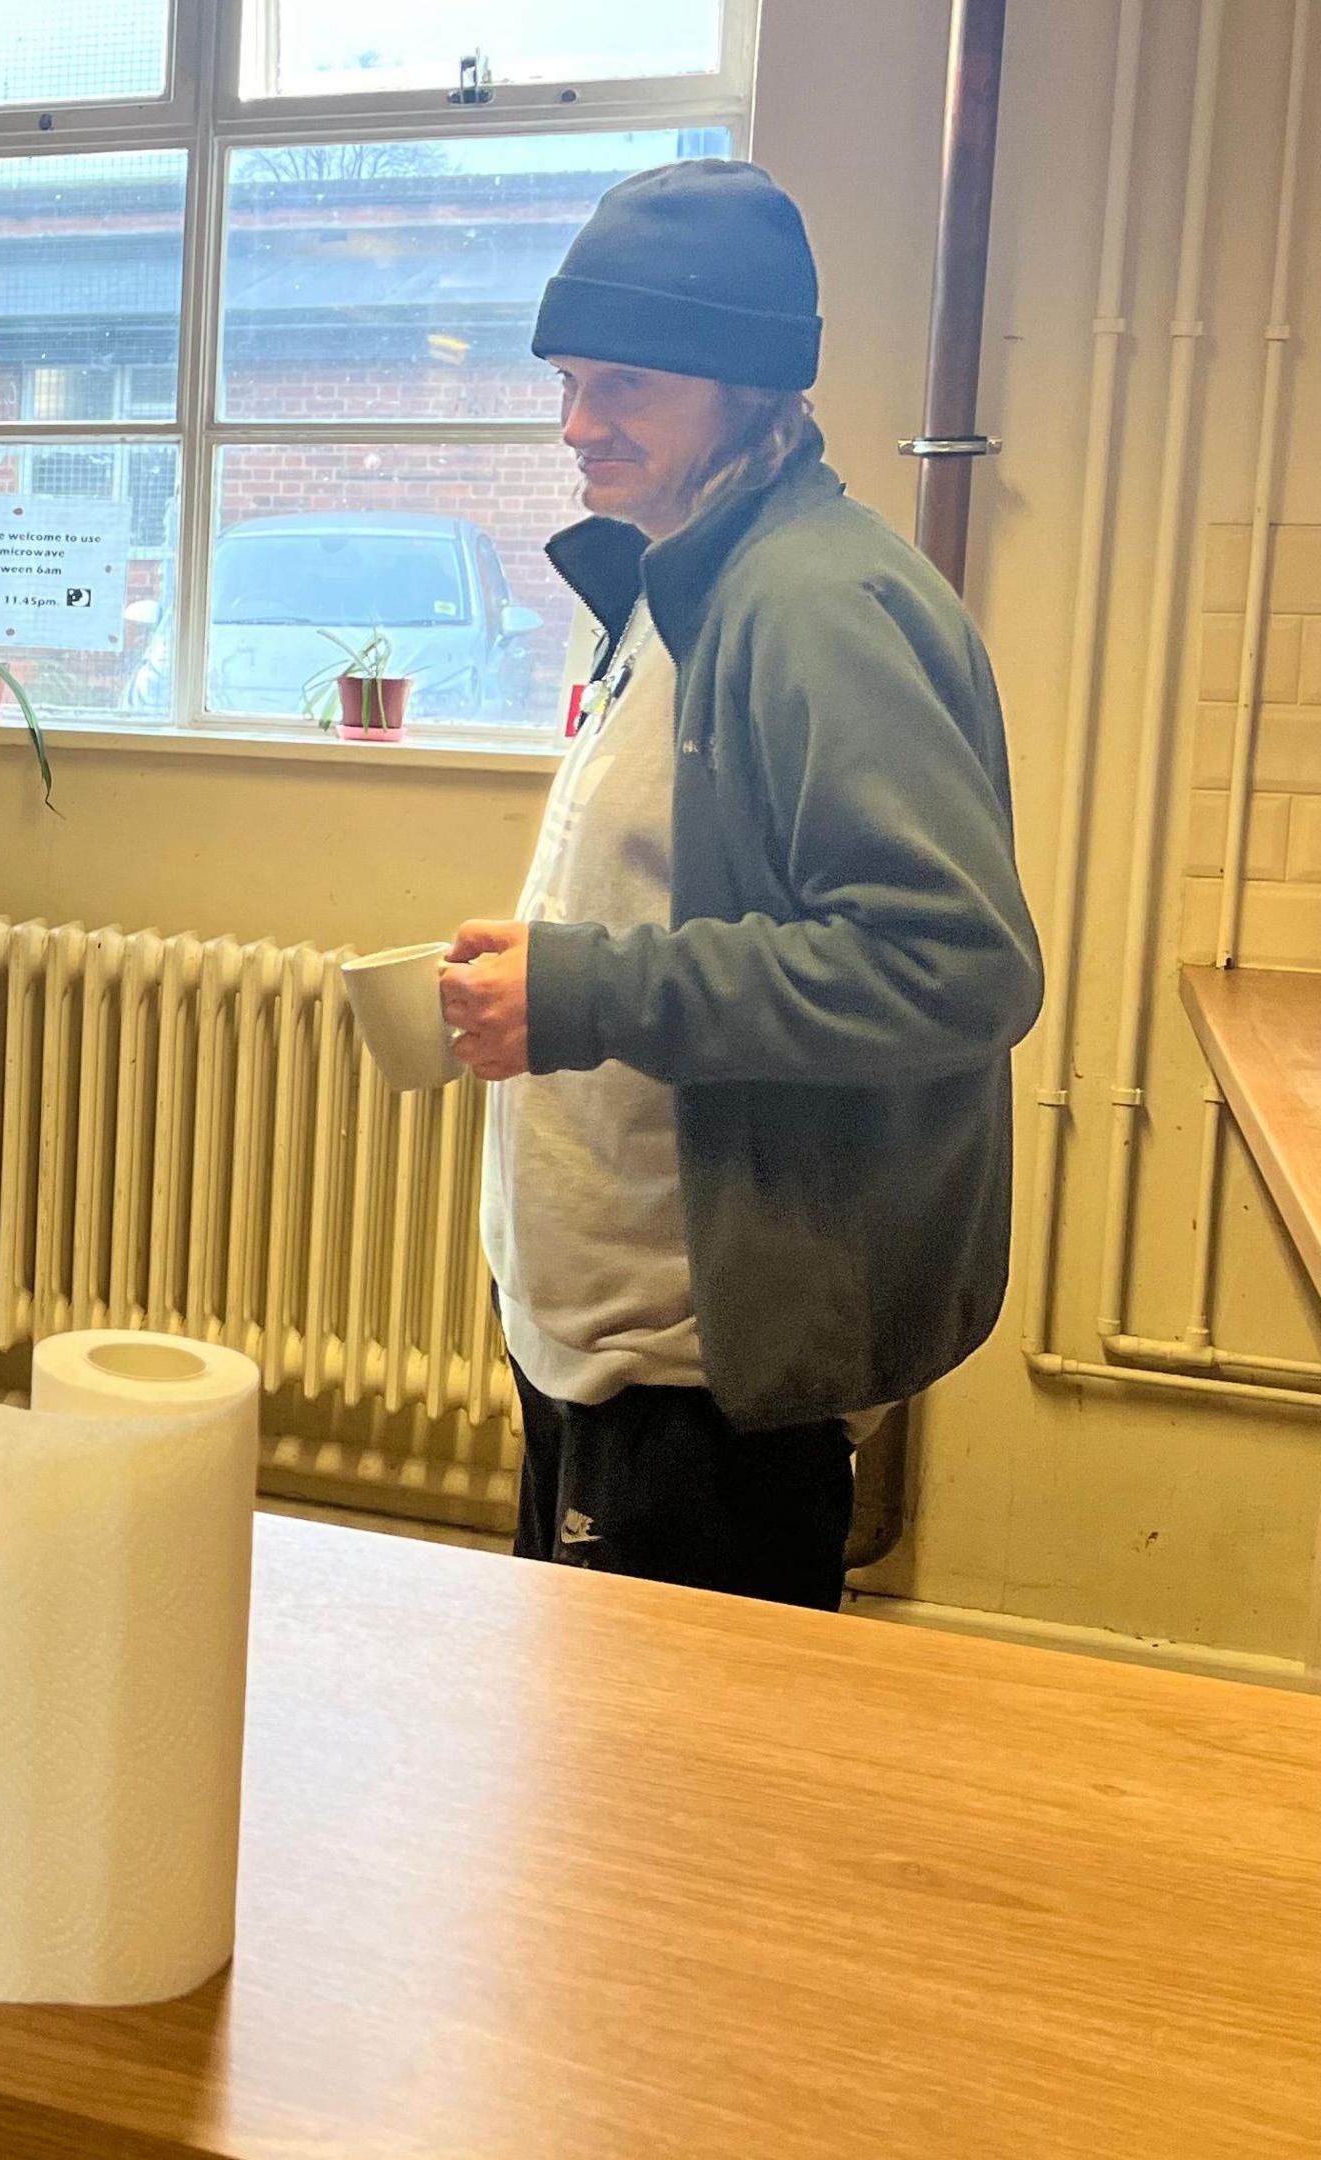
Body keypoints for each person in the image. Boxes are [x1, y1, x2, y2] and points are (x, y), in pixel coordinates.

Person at [439, 161, 1041, 1609]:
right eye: (571, 379)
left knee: (672, 1826)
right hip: (615, 1352)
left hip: (701, 1385)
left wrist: (580, 990)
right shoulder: (677, 576)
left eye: (629, 383)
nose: (580, 423)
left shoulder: (818, 606)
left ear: (754, 390)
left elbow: (954, 963)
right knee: (588, 1802)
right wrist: (551, 966)